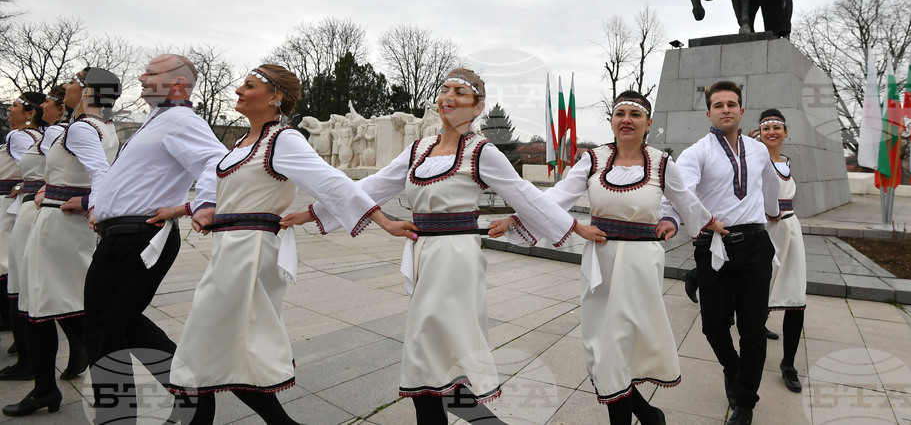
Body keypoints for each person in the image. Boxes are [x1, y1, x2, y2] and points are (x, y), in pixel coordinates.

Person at [284, 68, 604, 425]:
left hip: (456, 259)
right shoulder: (419, 149)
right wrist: (315, 212)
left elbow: (526, 196)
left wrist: (574, 226)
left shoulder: (481, 152)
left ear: (477, 106)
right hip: (425, 255)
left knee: (427, 360)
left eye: (459, 93)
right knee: (437, 363)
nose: (448, 98)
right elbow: (371, 187)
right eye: (444, 90)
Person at [166, 64, 415, 425]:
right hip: (229, 250)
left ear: (275, 97)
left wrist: (384, 221)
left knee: (203, 346)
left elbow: (333, 183)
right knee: (221, 347)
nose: (238, 90)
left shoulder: (282, 140)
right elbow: (236, 196)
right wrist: (197, 211)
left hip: (250, 256)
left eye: (248, 85)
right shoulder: (241, 144)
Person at [489, 91, 727, 425]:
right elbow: (557, 197)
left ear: (648, 123)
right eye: (620, 113)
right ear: (612, 120)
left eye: (635, 114)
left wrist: (713, 225)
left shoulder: (660, 163)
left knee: (620, 347)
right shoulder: (593, 160)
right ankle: (648, 413)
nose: (627, 119)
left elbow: (686, 201)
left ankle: (635, 418)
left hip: (640, 265)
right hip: (600, 262)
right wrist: (517, 219)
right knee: (601, 347)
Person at [83, 54, 228, 425]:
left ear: (177, 84)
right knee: (123, 324)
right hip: (124, 235)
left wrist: (202, 204)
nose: (142, 77)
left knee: (102, 331)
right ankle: (193, 399)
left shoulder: (180, 120)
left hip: (138, 237)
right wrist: (97, 204)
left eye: (152, 72)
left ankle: (119, 417)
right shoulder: (158, 121)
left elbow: (217, 164)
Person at [4, 69, 121, 417]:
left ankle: (45, 389)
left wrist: (92, 206)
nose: (66, 86)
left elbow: (100, 172)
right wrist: (50, 187)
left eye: (73, 80)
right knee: (67, 304)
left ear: (87, 91)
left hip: (60, 225)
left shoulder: (83, 128)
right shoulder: (104, 127)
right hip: (63, 219)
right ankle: (82, 384)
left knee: (41, 306)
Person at [675, 80, 779, 425]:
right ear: (709, 112)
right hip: (713, 246)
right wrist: (697, 221)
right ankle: (732, 368)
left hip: (755, 245)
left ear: (741, 110)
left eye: (731, 104)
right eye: (718, 105)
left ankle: (744, 401)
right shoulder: (696, 153)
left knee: (753, 328)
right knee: (713, 326)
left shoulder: (759, 148)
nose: (725, 110)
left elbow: (768, 183)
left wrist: (773, 211)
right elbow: (680, 193)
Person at [757, 109, 806, 393]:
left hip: (791, 231)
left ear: (785, 133)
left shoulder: (786, 163)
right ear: (760, 134)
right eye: (766, 128)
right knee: (759, 293)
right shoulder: (755, 162)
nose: (772, 132)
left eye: (777, 127)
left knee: (795, 296)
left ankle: (788, 364)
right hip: (765, 233)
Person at [0, 92, 47, 374]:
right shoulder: (33, 136)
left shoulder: (19, 137)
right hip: (16, 200)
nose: (9, 109)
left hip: (8, 202)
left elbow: (25, 167)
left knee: (7, 263)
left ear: (29, 112)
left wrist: (21, 185)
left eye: (15, 106)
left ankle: (11, 323)